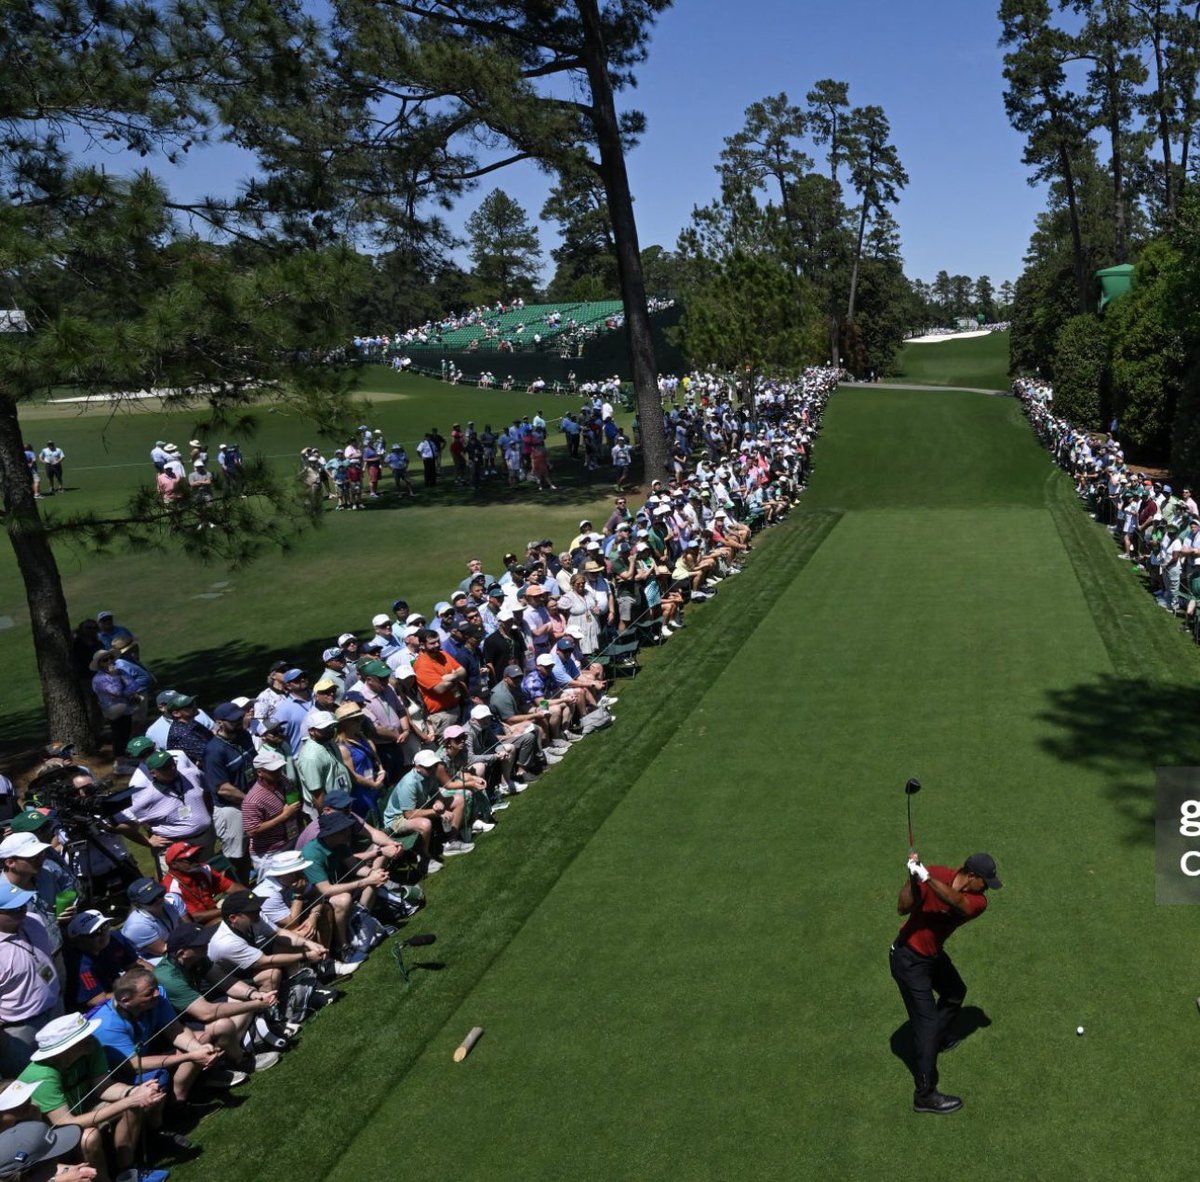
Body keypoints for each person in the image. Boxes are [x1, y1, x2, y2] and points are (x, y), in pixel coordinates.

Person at [891, 851, 1002, 1115]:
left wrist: (926, 877)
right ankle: (925, 1095)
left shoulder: (978, 901)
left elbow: (957, 902)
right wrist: (912, 876)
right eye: (985, 881)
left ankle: (934, 1038)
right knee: (927, 1025)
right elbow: (902, 908)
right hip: (908, 958)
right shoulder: (939, 874)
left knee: (954, 992)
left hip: (932, 955)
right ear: (972, 876)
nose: (987, 887)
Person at [18, 1011, 168, 1182]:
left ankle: (126, 1172)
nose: (91, 1037)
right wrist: (129, 1100)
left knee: (133, 1105)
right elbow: (66, 1123)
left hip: (82, 1112)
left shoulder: (90, 1047)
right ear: (67, 1047)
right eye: (83, 1037)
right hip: (51, 1135)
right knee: (89, 1137)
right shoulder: (42, 1075)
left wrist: (133, 1092)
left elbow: (103, 1086)